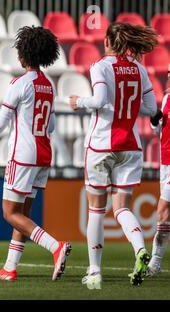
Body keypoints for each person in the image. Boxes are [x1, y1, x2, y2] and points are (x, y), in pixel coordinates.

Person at [0, 26, 71, 282]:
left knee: (9, 213)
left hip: (23, 156)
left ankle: (55, 247)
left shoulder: (19, 83)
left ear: (24, 54)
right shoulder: (48, 85)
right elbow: (51, 125)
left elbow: (2, 119)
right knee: (22, 215)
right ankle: (10, 268)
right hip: (43, 155)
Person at [68, 22, 160, 287]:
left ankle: (95, 272)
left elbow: (97, 101)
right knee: (122, 209)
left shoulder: (100, 66)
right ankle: (141, 250)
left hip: (101, 145)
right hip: (130, 147)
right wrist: (128, 108)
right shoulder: (140, 69)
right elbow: (150, 108)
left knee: (96, 210)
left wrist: (78, 103)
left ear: (108, 42)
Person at [147, 63, 170, 276]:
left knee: (162, 210)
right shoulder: (167, 98)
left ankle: (155, 261)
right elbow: (160, 130)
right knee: (165, 213)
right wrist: (155, 119)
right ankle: (156, 262)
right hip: (165, 162)